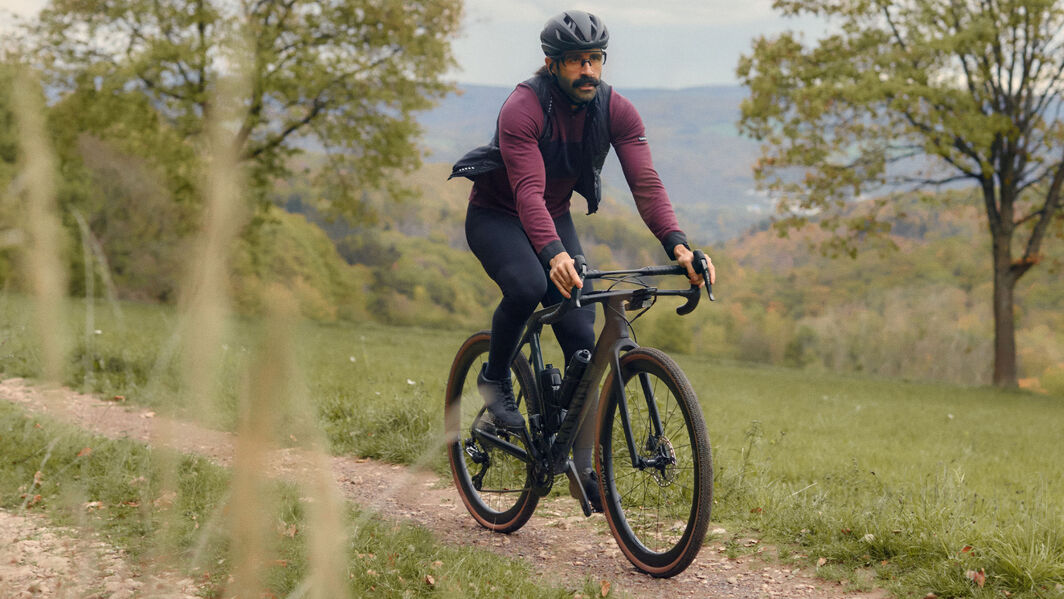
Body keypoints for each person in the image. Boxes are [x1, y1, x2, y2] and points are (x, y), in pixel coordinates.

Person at [449, 9, 715, 511]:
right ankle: (494, 377)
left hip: (551, 215)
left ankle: (579, 463)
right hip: (498, 217)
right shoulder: (523, 107)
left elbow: (646, 183)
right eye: (575, 61)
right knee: (528, 287)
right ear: (552, 64)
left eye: (594, 59)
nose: (587, 70)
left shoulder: (617, 110)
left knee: (581, 340)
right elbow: (526, 191)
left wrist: (678, 246)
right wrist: (553, 255)